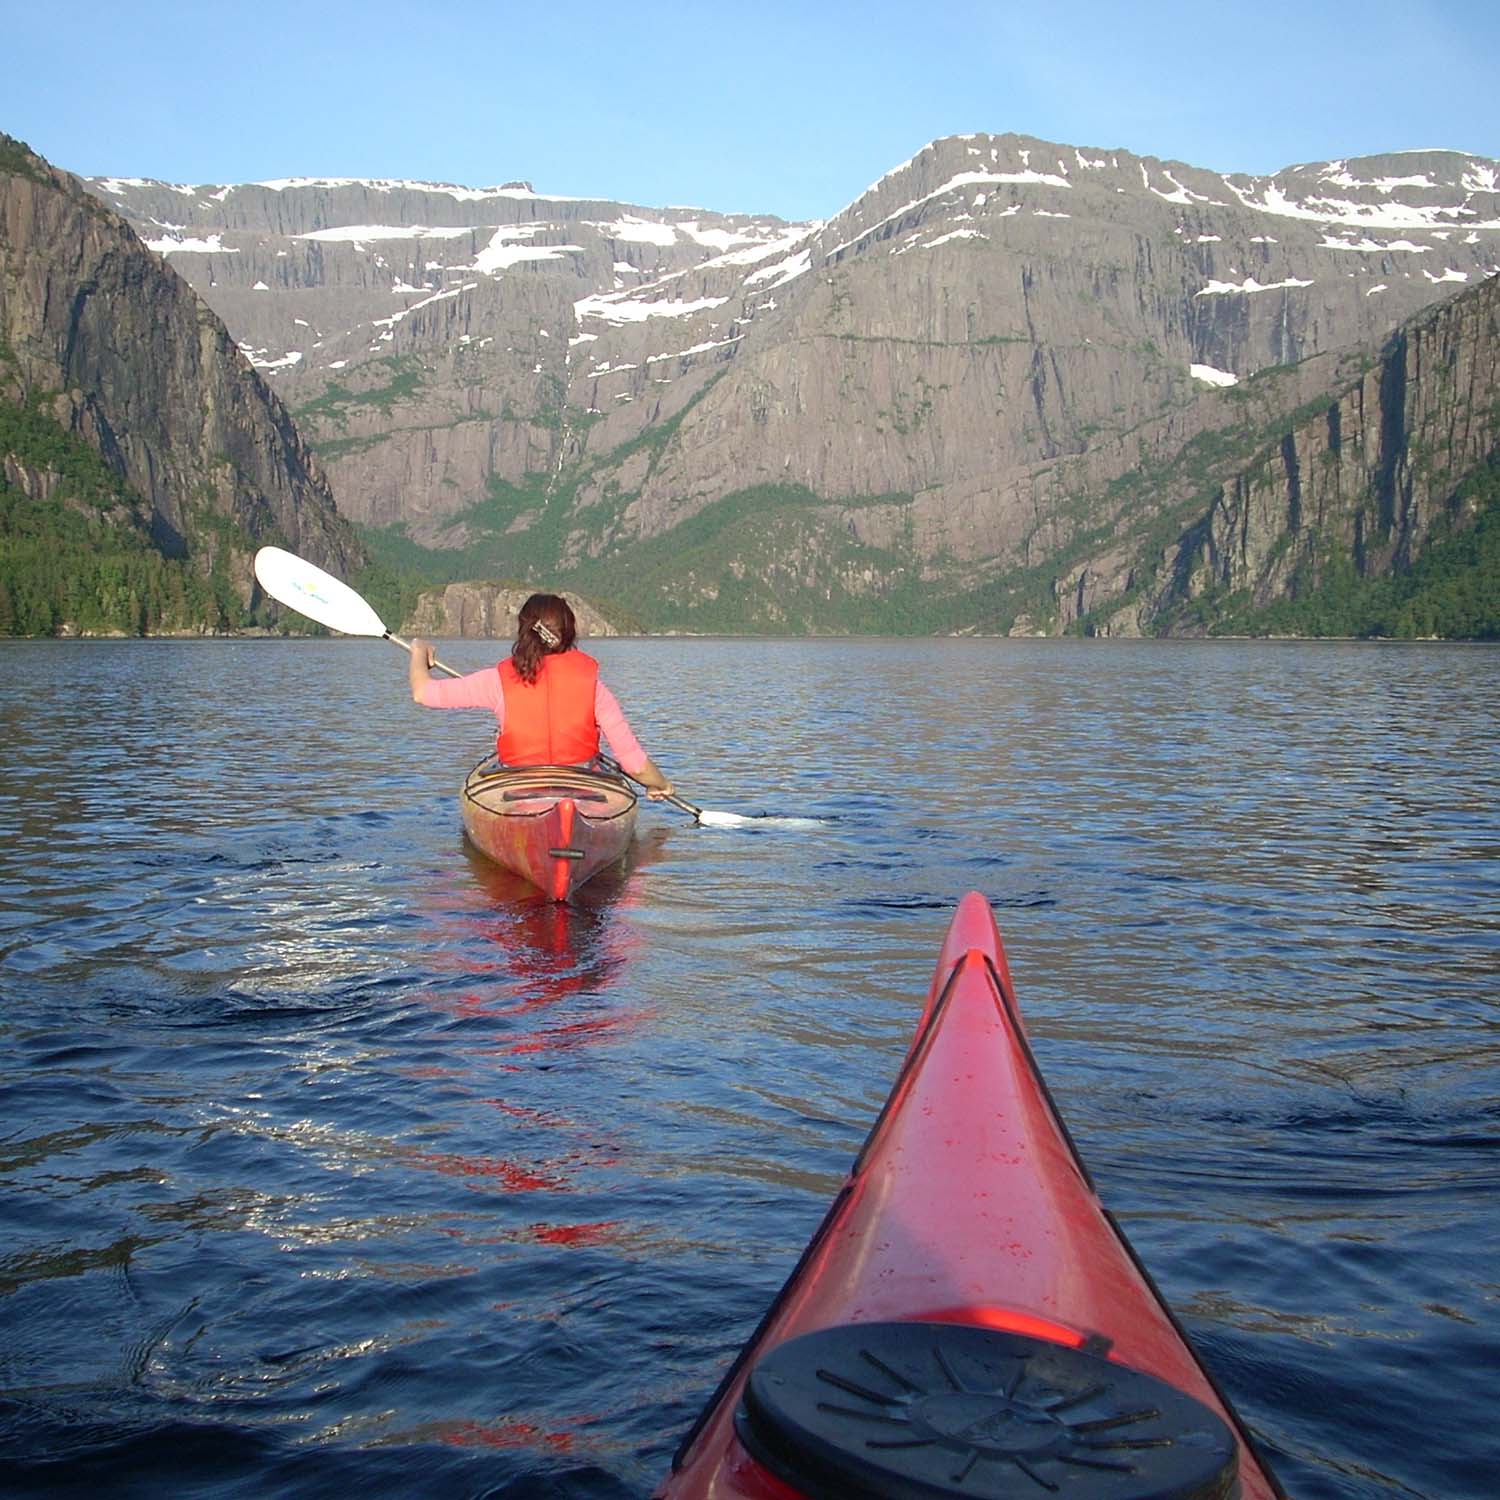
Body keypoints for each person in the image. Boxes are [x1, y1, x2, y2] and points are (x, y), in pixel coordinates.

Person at [407, 593, 676, 800]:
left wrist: (419, 652)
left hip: (518, 786)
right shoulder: (594, 687)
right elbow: (634, 764)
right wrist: (659, 784)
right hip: (580, 787)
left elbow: (423, 693)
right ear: (568, 633)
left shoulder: (496, 681)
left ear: (524, 631)